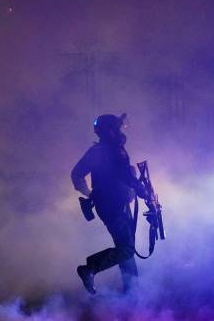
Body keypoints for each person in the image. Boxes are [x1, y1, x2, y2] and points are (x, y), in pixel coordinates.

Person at [71, 113, 147, 294]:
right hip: (114, 208)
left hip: (111, 205)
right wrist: (141, 190)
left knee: (125, 249)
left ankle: (132, 293)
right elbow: (126, 176)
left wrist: (91, 194)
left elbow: (76, 174)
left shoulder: (97, 150)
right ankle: (90, 268)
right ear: (110, 131)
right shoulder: (113, 151)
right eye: (117, 128)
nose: (121, 131)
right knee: (127, 250)